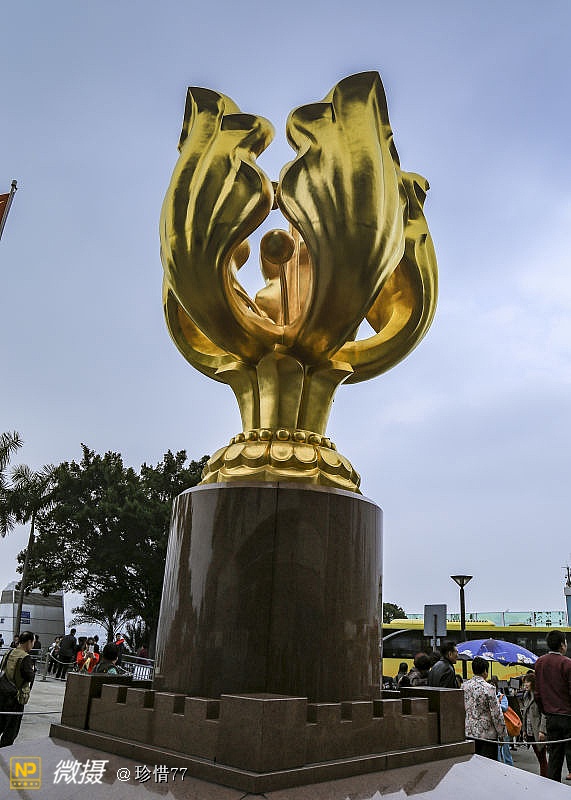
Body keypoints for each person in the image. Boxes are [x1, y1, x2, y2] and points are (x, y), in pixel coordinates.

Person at [534, 629, 571, 782]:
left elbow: (537, 693)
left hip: (550, 717)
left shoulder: (540, 662)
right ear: (562, 645)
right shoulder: (567, 663)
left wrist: (545, 711)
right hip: (568, 717)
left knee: (554, 758)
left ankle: (552, 789)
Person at [462, 656, 507, 759]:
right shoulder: (489, 688)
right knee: (487, 765)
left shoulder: (464, 686)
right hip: (487, 735)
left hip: (469, 732)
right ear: (485, 671)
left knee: (472, 763)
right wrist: (502, 734)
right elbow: (496, 713)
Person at [0, 630, 36, 747]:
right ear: (29, 642)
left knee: (1, 722)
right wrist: (33, 670)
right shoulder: (25, 657)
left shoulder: (9, 652)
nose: (33, 645)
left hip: (2, 692)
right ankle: (4, 751)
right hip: (15, 697)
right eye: (33, 642)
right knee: (12, 728)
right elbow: (29, 676)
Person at [521, 672, 548, 777]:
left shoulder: (538, 696)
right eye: (524, 682)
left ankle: (545, 778)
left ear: (533, 682)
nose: (525, 684)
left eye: (527, 682)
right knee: (539, 757)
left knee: (542, 758)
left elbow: (544, 714)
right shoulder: (526, 695)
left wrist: (542, 730)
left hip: (538, 732)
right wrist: (524, 730)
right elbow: (525, 714)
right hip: (529, 731)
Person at [488, 675, 513, 766]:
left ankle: (509, 768)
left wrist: (495, 703)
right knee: (496, 751)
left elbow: (505, 708)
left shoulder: (502, 696)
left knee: (505, 750)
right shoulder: (488, 697)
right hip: (492, 727)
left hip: (503, 726)